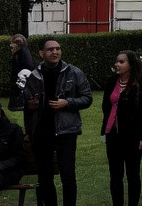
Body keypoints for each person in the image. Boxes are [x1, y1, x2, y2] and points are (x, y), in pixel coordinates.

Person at [23, 38, 91, 206]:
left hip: (66, 131)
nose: (55, 52)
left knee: (68, 175)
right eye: (50, 49)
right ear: (42, 53)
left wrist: (68, 102)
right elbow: (26, 101)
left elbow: (87, 98)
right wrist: (31, 105)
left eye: (58, 49)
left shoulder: (74, 73)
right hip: (42, 132)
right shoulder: (34, 75)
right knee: (45, 177)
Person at [100, 51, 142, 206]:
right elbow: (106, 106)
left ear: (131, 64)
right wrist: (105, 130)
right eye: (117, 61)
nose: (117, 64)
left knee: (132, 174)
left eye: (122, 62)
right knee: (115, 176)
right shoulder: (112, 81)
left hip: (133, 137)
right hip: (113, 135)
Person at [5, 36, 31, 115]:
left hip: (20, 77)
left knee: (19, 92)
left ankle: (18, 105)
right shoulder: (22, 52)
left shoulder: (21, 53)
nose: (11, 46)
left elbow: (24, 66)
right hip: (19, 77)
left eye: (12, 44)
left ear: (17, 44)